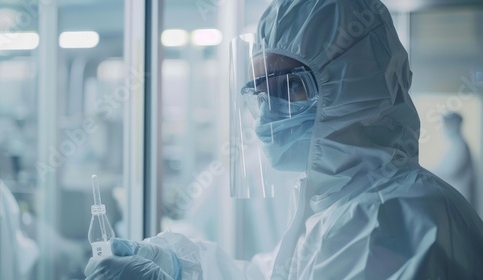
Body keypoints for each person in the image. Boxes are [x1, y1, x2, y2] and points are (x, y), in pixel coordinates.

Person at [84, 0, 483, 279]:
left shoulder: (395, 219)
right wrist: (176, 267)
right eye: (260, 92)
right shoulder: (338, 207)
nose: (269, 113)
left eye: (290, 86)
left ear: (357, 85)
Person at [431, 112, 477, 207]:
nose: (445, 127)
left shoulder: (460, 145)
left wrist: (428, 172)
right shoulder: (454, 145)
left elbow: (451, 171)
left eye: (448, 124)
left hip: (461, 196)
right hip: (456, 197)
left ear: (456, 125)